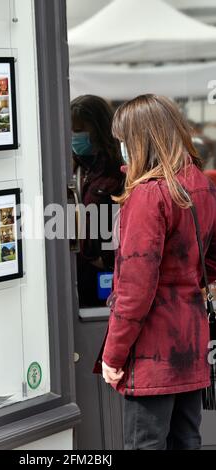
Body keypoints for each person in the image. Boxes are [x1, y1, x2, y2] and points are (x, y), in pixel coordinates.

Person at [95, 94, 216, 450]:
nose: (120, 149)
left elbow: (135, 289)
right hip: (190, 340)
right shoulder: (200, 183)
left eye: (123, 141)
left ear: (139, 141)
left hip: (153, 352)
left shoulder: (149, 194)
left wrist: (112, 355)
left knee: (146, 443)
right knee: (186, 439)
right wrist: (190, 277)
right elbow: (212, 261)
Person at [71, 95, 125, 307]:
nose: (74, 136)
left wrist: (106, 260)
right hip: (81, 268)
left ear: (98, 129)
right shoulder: (78, 169)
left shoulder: (117, 171)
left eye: (79, 130)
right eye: (72, 130)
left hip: (105, 271)